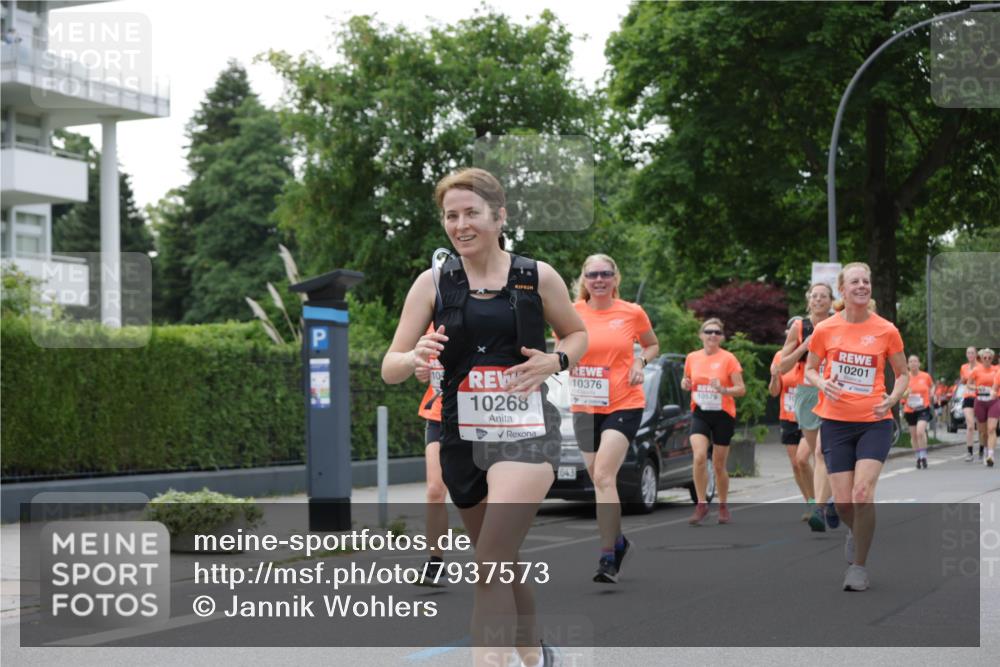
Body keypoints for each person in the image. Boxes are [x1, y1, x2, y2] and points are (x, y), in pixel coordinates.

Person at [381, 167, 587, 667]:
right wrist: (415, 359)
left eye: (471, 213)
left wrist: (554, 360)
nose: (460, 224)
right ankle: (536, 655)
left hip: (527, 435)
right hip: (460, 439)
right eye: (451, 216)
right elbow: (390, 366)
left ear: (500, 216)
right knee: (501, 560)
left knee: (489, 564)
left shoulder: (536, 276)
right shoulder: (433, 283)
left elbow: (578, 336)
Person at [805, 262, 908, 592]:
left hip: (874, 422)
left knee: (863, 494)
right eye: (855, 281)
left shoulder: (886, 330)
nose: (862, 285)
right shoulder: (826, 330)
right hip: (836, 423)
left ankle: (859, 567)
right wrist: (823, 382)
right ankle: (855, 530)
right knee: (845, 502)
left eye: (866, 280)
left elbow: (903, 372)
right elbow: (810, 370)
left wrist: (892, 399)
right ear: (842, 289)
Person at [569, 253, 659, 583]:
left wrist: (640, 364)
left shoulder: (631, 312)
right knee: (597, 478)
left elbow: (651, 345)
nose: (599, 279)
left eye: (605, 273)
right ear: (584, 279)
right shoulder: (571, 312)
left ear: (615, 278)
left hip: (623, 402)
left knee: (605, 475)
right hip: (584, 406)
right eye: (593, 274)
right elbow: (561, 347)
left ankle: (608, 557)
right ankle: (620, 543)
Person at [778, 283, 838, 532]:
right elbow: (782, 365)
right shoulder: (799, 327)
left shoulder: (839, 323)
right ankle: (831, 500)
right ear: (809, 301)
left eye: (824, 296)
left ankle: (820, 508)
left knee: (823, 453)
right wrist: (805, 346)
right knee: (818, 455)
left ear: (831, 300)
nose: (819, 300)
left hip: (833, 390)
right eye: (815, 296)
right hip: (807, 393)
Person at [681, 318, 745, 525]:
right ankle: (701, 504)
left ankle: (723, 505)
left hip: (723, 415)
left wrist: (724, 390)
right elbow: (687, 381)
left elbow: (741, 389)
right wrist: (685, 383)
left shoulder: (728, 359)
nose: (712, 336)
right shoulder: (692, 357)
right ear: (701, 335)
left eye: (717, 333)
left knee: (718, 465)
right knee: (699, 456)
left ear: (722, 337)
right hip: (700, 412)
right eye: (708, 332)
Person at [413, 329, 448, 585]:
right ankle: (435, 562)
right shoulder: (428, 322)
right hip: (438, 415)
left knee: (483, 494)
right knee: (435, 490)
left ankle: (494, 557)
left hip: (476, 417)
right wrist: (421, 371)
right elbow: (422, 365)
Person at [770, 318, 813, 515]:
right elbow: (773, 392)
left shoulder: (812, 353)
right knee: (796, 464)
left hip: (809, 414)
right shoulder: (780, 357)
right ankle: (809, 502)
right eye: (790, 331)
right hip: (788, 415)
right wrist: (773, 376)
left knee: (804, 459)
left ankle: (819, 501)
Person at [903, 355, 934, 469]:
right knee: (914, 435)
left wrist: (932, 393)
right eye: (910, 361)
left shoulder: (925, 376)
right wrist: (905, 395)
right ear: (907, 364)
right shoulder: (905, 377)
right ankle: (918, 456)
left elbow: (932, 386)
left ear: (919, 364)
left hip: (923, 408)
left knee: (920, 432)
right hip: (910, 409)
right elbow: (900, 393)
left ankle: (924, 456)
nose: (913, 363)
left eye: (915, 361)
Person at [971, 348, 999, 467]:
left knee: (991, 428)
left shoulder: (997, 370)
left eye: (989, 358)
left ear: (992, 359)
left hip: (994, 401)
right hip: (980, 402)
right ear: (981, 358)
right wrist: (977, 389)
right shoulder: (976, 370)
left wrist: (994, 391)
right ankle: (986, 450)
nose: (987, 360)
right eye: (985, 358)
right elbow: (969, 385)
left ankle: (991, 455)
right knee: (983, 432)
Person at [960, 346, 981, 462]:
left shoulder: (981, 367)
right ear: (966, 355)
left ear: (976, 354)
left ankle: (982, 450)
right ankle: (969, 452)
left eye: (972, 353)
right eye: (968, 353)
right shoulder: (963, 367)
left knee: (982, 427)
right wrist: (965, 382)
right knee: (970, 425)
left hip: (980, 398)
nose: (970, 355)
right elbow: (963, 381)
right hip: (968, 398)